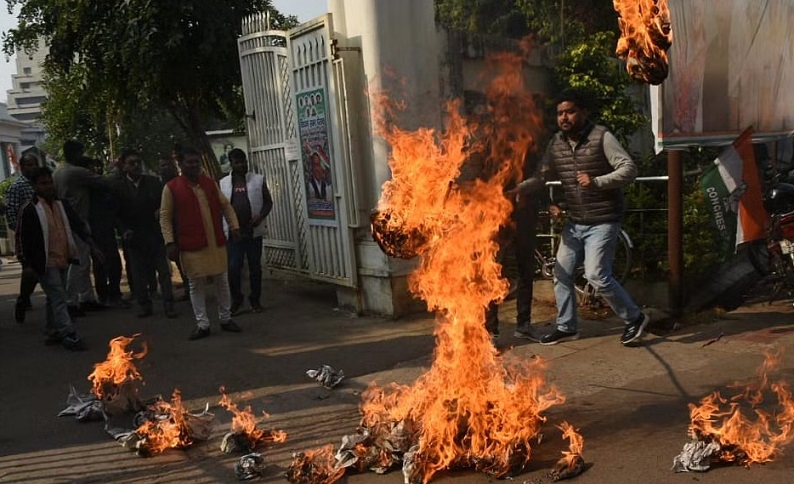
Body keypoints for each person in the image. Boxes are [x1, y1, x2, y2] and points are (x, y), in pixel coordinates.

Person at [515, 89, 649, 346]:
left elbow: (629, 169)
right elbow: (542, 176)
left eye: (570, 111)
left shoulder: (602, 137)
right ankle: (567, 326)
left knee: (596, 274)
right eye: (560, 113)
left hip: (603, 219)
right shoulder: (556, 143)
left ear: (583, 112)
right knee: (562, 272)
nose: (564, 117)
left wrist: (597, 181)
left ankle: (634, 317)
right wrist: (517, 189)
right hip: (576, 222)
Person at [160, 147, 242, 340]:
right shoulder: (171, 188)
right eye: (189, 162)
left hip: (216, 242)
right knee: (196, 284)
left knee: (222, 280)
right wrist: (169, 242)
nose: (194, 165)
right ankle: (202, 324)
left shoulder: (210, 184)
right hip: (191, 244)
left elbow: (226, 206)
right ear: (180, 164)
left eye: (196, 162)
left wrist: (234, 227)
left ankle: (225, 318)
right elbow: (165, 217)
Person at [16, 167, 96, 351]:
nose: (48, 186)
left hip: (62, 258)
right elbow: (21, 238)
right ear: (35, 186)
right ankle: (68, 333)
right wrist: (26, 263)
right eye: (43, 183)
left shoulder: (62, 205)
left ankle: (52, 330)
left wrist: (92, 245)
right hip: (44, 262)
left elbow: (77, 225)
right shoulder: (30, 209)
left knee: (53, 297)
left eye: (50, 182)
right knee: (59, 296)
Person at [113, 151, 177, 318]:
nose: (136, 166)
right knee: (139, 273)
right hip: (134, 236)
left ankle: (169, 304)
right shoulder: (119, 187)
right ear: (124, 166)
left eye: (138, 163)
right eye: (132, 163)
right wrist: (123, 230)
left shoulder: (154, 182)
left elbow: (166, 204)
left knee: (163, 271)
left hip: (154, 234)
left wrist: (160, 211)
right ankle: (144, 305)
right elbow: (116, 213)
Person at [52, 140, 108, 315]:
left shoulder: (58, 171)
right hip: (78, 220)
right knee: (79, 263)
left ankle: (86, 298)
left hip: (65, 220)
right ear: (77, 153)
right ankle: (72, 301)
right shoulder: (77, 172)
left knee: (80, 262)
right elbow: (104, 182)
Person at [219, 149, 273, 315]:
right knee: (234, 267)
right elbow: (220, 207)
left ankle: (255, 300)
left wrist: (260, 216)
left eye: (243, 161)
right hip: (234, 233)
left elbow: (268, 202)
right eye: (237, 162)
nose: (241, 165)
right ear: (231, 164)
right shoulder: (223, 183)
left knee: (255, 267)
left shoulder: (257, 180)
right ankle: (237, 299)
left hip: (253, 232)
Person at [5, 152, 41, 323]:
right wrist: (19, 231)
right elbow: (11, 212)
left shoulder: (41, 184)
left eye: (34, 164)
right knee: (29, 269)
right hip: (25, 236)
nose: (32, 168)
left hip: (44, 233)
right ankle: (23, 298)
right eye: (28, 165)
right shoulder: (17, 187)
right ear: (21, 167)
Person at [87, 157, 125, 307]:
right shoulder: (88, 189)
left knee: (114, 263)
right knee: (99, 264)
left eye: (99, 166)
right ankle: (104, 296)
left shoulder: (105, 186)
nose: (97, 169)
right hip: (95, 229)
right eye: (93, 167)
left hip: (107, 228)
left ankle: (114, 294)